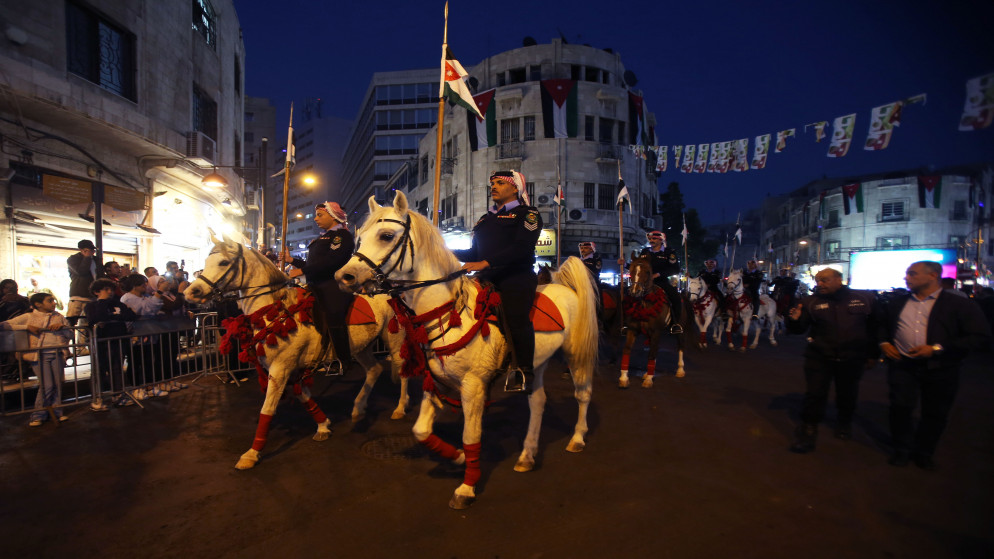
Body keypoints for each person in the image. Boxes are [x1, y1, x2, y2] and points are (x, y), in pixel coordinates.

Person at [878, 261, 992, 470]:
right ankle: (902, 449)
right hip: (903, 366)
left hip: (941, 368)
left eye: (912, 274)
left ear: (932, 276)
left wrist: (937, 349)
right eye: (907, 274)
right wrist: (884, 343)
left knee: (935, 413)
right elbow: (882, 327)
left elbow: (979, 336)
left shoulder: (959, 305)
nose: (907, 278)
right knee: (900, 408)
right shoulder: (897, 303)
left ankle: (924, 452)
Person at [452, 170, 542, 392]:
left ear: (515, 189)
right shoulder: (486, 219)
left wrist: (486, 263)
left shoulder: (528, 214)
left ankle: (523, 371)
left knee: (516, 318)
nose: (494, 186)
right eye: (492, 183)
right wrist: (443, 252)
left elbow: (522, 249)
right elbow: (474, 253)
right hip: (486, 277)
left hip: (516, 275)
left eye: (501, 183)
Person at [785, 268, 879, 453]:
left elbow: (875, 329)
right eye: (818, 280)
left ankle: (844, 423)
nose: (820, 284)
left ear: (839, 279)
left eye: (825, 280)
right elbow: (798, 330)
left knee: (847, 393)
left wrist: (873, 354)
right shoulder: (810, 302)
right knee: (814, 394)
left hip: (852, 358)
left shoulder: (864, 299)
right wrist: (794, 320)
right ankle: (808, 429)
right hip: (819, 357)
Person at [283, 201, 355, 372]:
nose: (315, 219)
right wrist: (292, 261)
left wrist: (301, 270)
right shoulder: (323, 237)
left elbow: (331, 262)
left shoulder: (341, 236)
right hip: (315, 283)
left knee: (333, 314)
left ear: (333, 216)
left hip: (332, 283)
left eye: (320, 215)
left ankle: (343, 360)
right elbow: (313, 263)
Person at [1, 292, 72, 426]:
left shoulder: (59, 317)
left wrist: (63, 328)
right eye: (50, 301)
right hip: (39, 355)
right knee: (47, 385)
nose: (53, 303)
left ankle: (56, 412)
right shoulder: (28, 317)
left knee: (57, 383)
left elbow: (70, 335)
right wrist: (26, 327)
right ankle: (39, 414)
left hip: (57, 353)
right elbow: (4, 325)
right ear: (38, 304)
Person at [85, 278, 138, 410]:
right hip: (101, 343)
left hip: (118, 341)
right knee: (100, 371)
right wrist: (102, 302)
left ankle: (118, 395)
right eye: (106, 289)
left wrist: (113, 318)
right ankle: (97, 398)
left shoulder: (117, 303)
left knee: (116, 369)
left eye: (111, 289)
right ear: (97, 292)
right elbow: (97, 318)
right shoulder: (92, 305)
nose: (110, 292)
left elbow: (130, 315)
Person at [638, 231, 683, 334]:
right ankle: (629, 323)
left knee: (675, 297)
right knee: (630, 295)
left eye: (654, 239)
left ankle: (675, 324)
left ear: (661, 240)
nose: (651, 241)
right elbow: (638, 265)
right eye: (650, 239)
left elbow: (675, 269)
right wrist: (626, 264)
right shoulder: (645, 251)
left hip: (661, 281)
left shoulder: (669, 252)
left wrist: (658, 274)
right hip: (644, 282)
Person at [67, 239, 105, 353]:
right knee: (71, 321)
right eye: (89, 250)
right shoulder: (73, 259)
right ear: (82, 250)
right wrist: (86, 257)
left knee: (85, 322)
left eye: (92, 250)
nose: (92, 252)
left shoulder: (96, 260)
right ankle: (66, 347)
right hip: (78, 295)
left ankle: (81, 346)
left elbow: (100, 275)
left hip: (92, 296)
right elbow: (81, 271)